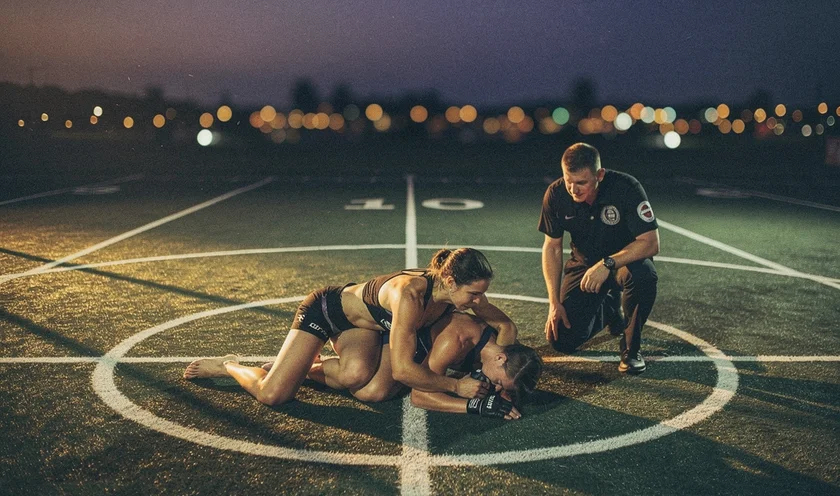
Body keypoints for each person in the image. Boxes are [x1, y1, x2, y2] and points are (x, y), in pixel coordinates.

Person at [184, 248, 517, 404]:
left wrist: (505, 360)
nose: (478, 303)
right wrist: (456, 387)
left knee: (365, 385)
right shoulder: (411, 297)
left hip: (369, 327)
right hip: (328, 312)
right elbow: (403, 371)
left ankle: (300, 368)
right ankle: (229, 366)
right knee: (273, 395)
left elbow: (505, 326)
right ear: (449, 279)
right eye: (474, 295)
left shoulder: (462, 292)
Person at [539, 142, 659, 374]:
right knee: (561, 339)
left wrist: (608, 264)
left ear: (599, 175)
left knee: (644, 274)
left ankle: (630, 348)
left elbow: (651, 243)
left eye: (582, 182)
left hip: (623, 264)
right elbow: (552, 247)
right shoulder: (555, 194)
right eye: (568, 181)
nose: (574, 189)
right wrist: (554, 303)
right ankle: (610, 309)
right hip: (584, 266)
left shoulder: (626, 188)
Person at [310, 311, 543, 419]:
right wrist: (473, 406)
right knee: (366, 385)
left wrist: (508, 396)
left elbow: (513, 371)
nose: (497, 388)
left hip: (408, 345)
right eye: (499, 383)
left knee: (375, 390)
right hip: (375, 329)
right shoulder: (457, 340)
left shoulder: (505, 349)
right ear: (501, 358)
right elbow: (419, 397)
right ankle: (308, 369)